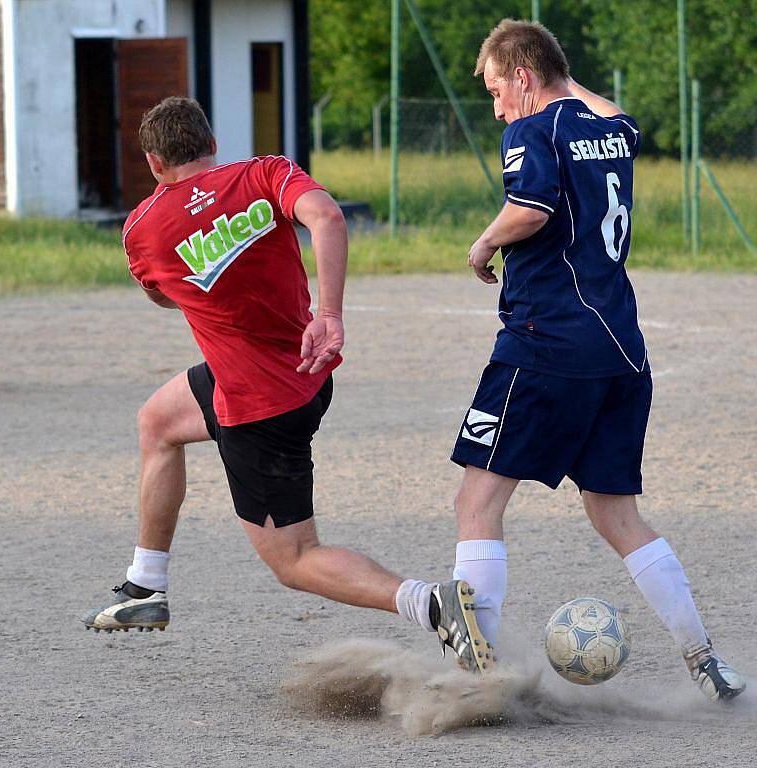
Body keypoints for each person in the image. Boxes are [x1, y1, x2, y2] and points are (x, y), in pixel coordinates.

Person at [82, 97, 491, 673]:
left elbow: (157, 293)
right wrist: (330, 314)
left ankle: (430, 604)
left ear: (153, 162)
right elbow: (327, 216)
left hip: (259, 407)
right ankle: (145, 588)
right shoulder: (265, 172)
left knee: (295, 560)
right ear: (212, 143)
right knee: (158, 422)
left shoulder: (142, 228)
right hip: (304, 366)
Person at [450, 19, 745, 700]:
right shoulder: (606, 131)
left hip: (546, 342)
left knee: (478, 498)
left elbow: (529, 206)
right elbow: (615, 116)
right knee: (616, 511)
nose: (497, 108)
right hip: (620, 350)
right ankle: (704, 659)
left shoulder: (530, 131)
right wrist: (560, 77)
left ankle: (477, 679)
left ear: (522, 77)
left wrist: (483, 242)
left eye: (498, 89)